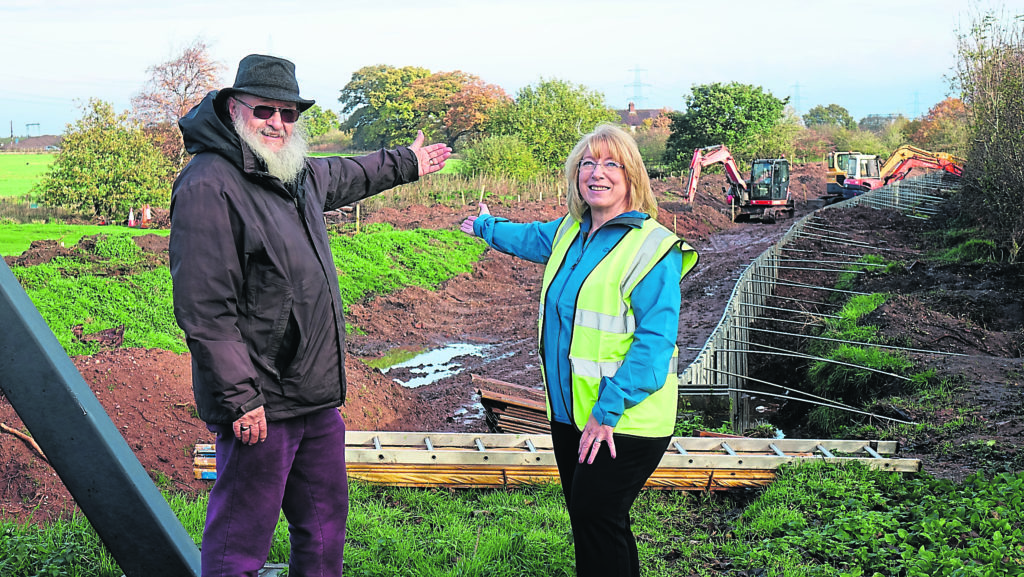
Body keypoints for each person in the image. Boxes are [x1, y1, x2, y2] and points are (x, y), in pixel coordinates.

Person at [169, 54, 451, 577]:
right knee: (241, 537)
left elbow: (347, 173)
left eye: (289, 113)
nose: (278, 123)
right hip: (260, 400)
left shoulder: (291, 172)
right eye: (265, 111)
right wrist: (240, 398)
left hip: (314, 395)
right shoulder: (209, 182)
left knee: (323, 527)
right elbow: (205, 308)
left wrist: (407, 161)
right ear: (235, 109)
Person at [460, 123, 698, 576]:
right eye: (587, 163)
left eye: (611, 163)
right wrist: (485, 226)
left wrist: (607, 412)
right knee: (595, 521)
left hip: (624, 417)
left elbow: (654, 347)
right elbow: (528, 238)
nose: (597, 172)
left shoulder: (653, 250)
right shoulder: (572, 231)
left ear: (632, 176)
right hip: (571, 414)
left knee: (596, 515)